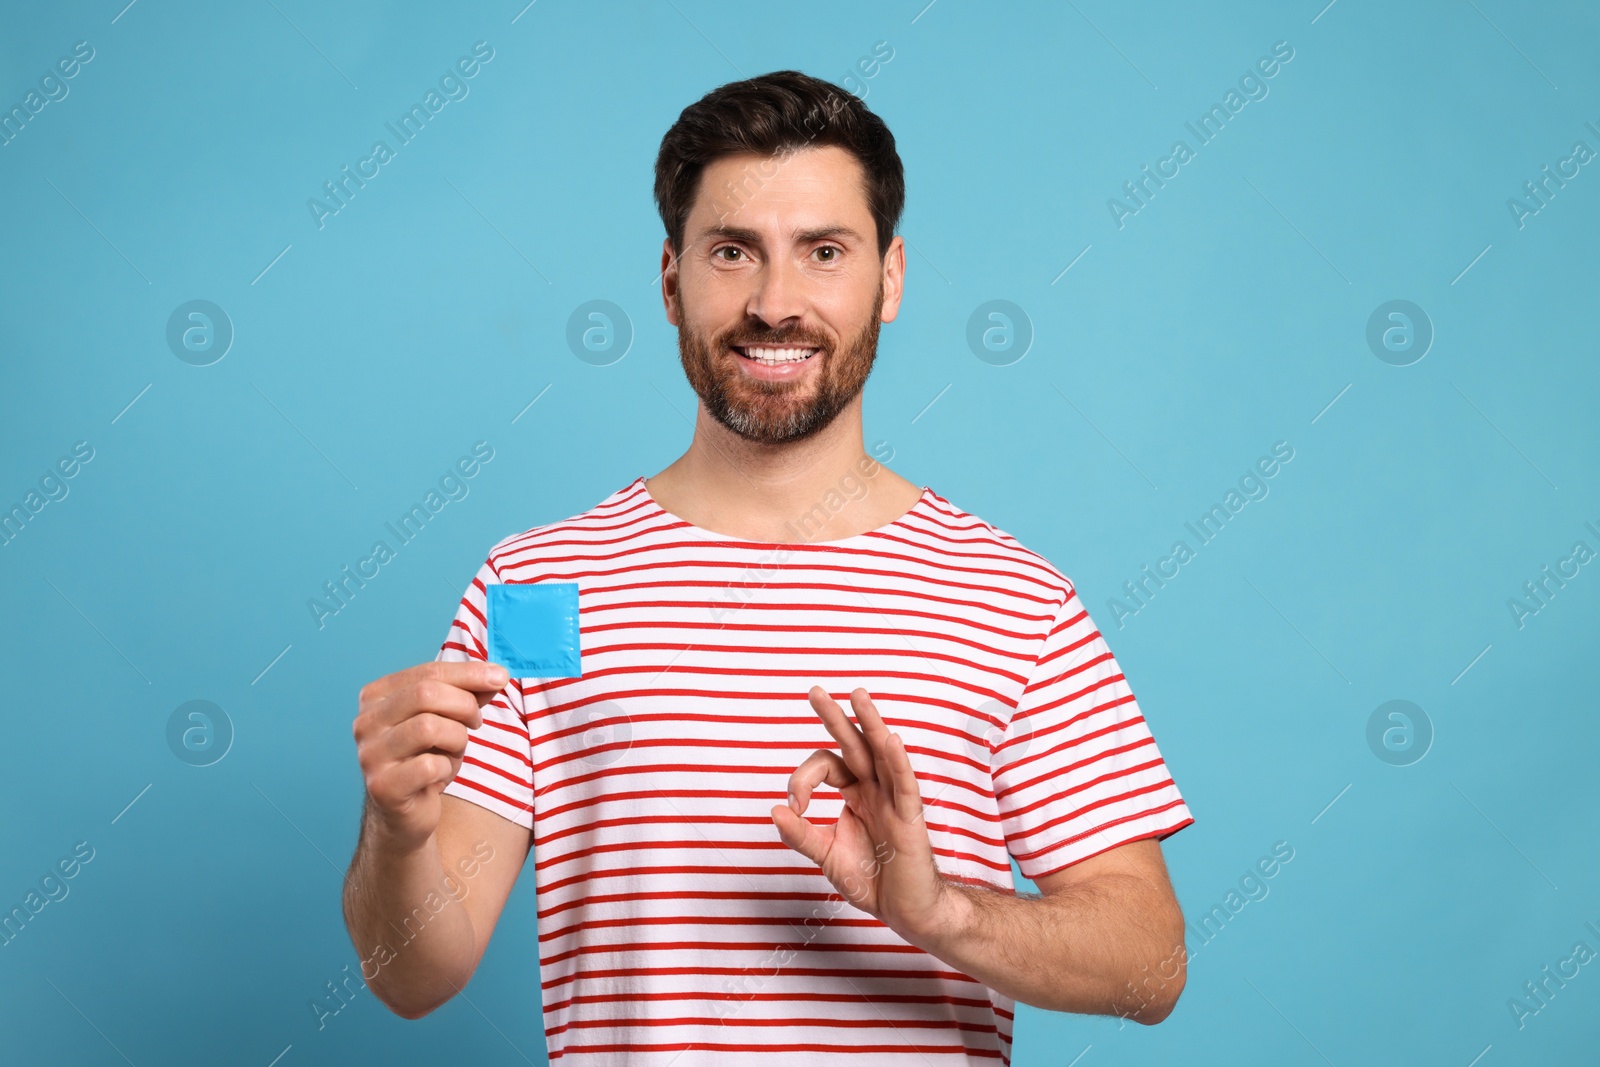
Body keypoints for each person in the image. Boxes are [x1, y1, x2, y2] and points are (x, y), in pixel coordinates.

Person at [344, 69, 1194, 1065]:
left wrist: (938, 912)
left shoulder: (1011, 597)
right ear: (670, 280)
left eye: (824, 251)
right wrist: (395, 830)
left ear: (890, 277)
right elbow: (414, 975)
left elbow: (1151, 967)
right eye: (732, 251)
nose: (774, 303)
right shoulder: (539, 583)